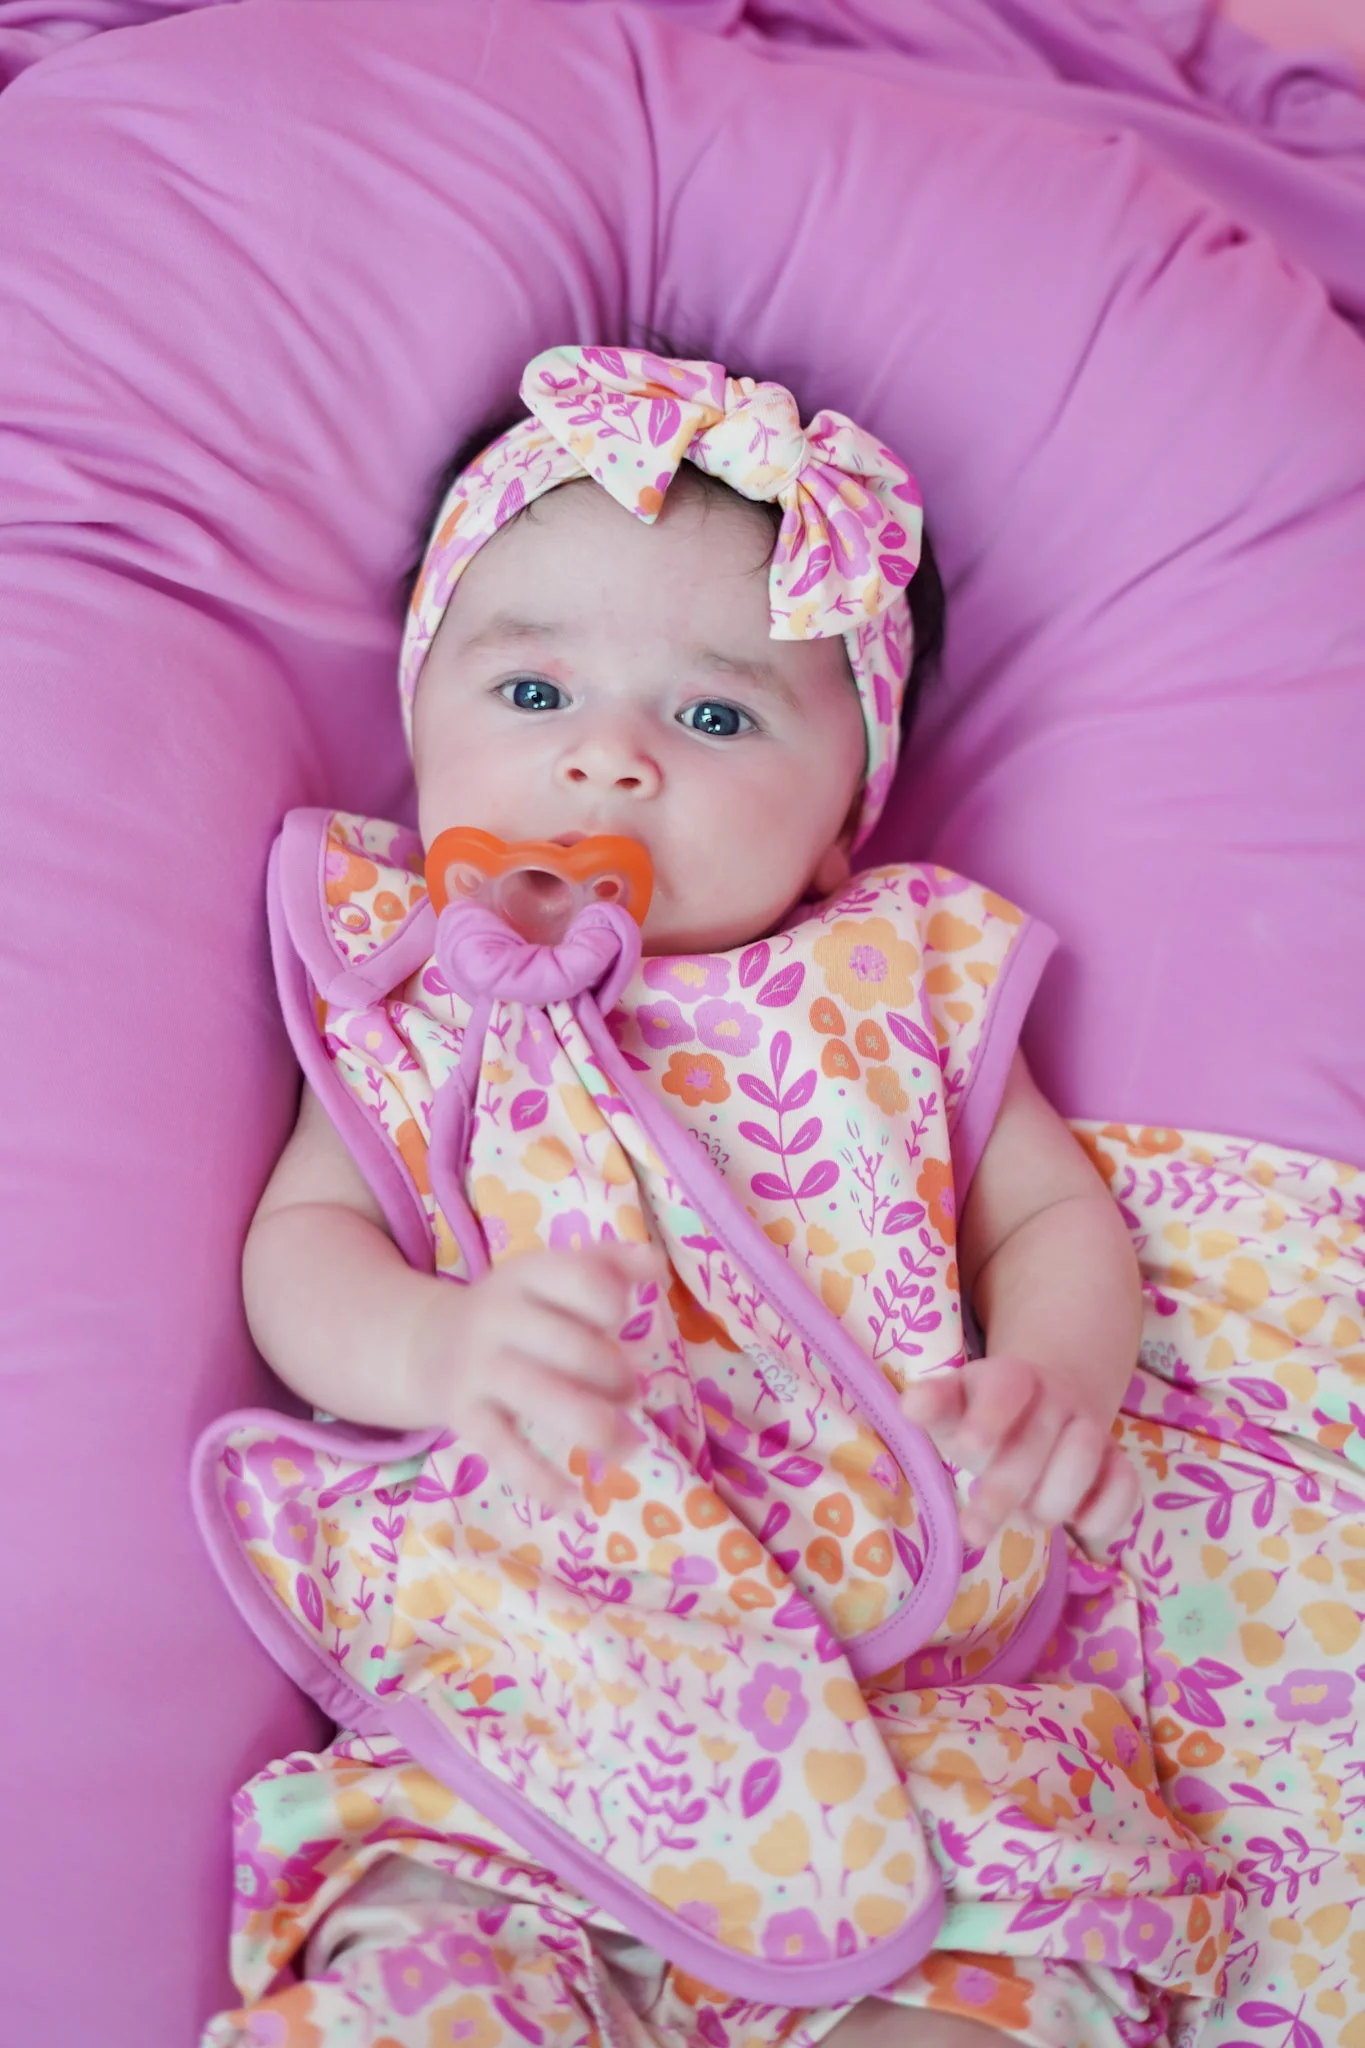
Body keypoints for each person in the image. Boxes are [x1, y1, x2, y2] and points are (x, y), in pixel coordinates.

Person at [203, 346, 1226, 2048]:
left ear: (839, 828)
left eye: (715, 715)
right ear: (422, 726)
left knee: (1003, 1976)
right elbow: (302, 1248)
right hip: (539, 1693)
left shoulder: (897, 971)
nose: (608, 761)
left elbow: (1049, 1218)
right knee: (417, 1971)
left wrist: (1056, 1373)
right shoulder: (415, 985)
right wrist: (438, 1351)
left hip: (910, 1704)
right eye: (532, 692)